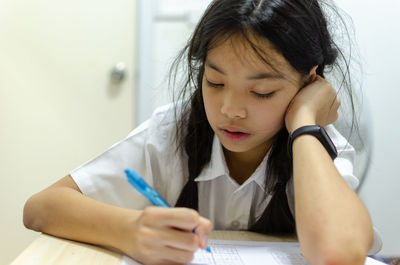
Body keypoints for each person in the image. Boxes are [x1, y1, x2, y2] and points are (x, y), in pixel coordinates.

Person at [23, 0, 382, 264]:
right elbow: (41, 208)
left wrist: (304, 122)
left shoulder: (318, 146)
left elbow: (340, 252)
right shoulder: (175, 132)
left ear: (309, 80)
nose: (230, 110)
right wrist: (130, 230)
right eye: (214, 81)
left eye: (262, 92)